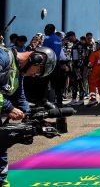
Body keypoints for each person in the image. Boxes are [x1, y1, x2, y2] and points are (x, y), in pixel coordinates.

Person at [1, 44, 56, 187]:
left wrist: (32, 118)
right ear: (36, 59)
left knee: (1, 143)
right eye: (38, 70)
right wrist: (8, 107)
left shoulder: (18, 72)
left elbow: (20, 97)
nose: (35, 75)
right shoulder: (3, 58)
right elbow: (10, 103)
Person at [87, 41, 100, 106]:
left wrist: (89, 68)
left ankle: (93, 99)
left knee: (92, 84)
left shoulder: (94, 53)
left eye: (98, 45)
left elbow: (90, 63)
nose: (96, 46)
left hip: (96, 71)